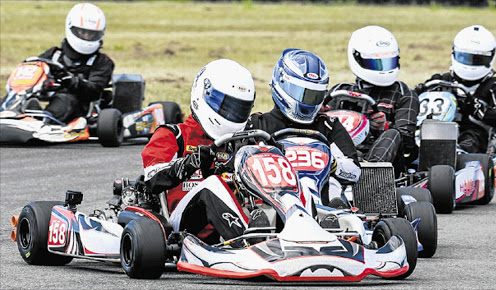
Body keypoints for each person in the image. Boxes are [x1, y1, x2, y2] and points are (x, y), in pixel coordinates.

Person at [141, 59, 256, 244]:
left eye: (238, 109)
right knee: (213, 185)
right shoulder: (173, 135)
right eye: (226, 107)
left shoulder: (242, 143)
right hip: (183, 226)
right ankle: (249, 244)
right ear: (203, 93)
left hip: (232, 221)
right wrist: (191, 163)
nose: (231, 115)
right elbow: (153, 178)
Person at [245, 48, 361, 206]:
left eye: (315, 96)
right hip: (273, 206)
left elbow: (354, 172)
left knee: (333, 186)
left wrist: (332, 164)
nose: (308, 102)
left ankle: (333, 219)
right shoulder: (258, 124)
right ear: (283, 84)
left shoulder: (328, 125)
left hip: (324, 206)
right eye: (303, 94)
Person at [325, 25, 420, 174]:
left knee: (393, 134)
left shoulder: (404, 93)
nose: (383, 70)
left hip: (381, 162)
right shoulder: (340, 91)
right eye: (375, 63)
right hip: (338, 157)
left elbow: (408, 146)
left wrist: (384, 127)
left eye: (388, 62)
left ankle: (369, 176)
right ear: (357, 58)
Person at [414, 25, 496, 153]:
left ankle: (457, 154)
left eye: (477, 59)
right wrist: (415, 93)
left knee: (470, 138)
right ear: (454, 53)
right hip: (435, 130)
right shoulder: (439, 80)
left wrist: (476, 108)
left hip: (473, 133)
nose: (470, 64)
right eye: (465, 57)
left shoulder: (495, 86)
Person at [38, 2, 114, 123]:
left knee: (64, 99)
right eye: (82, 32)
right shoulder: (54, 55)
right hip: (46, 99)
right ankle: (8, 114)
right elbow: (35, 68)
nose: (86, 37)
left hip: (81, 107)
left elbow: (95, 90)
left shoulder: (102, 62)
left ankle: (42, 122)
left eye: (91, 34)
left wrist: (73, 82)